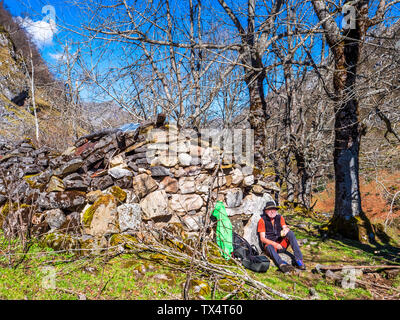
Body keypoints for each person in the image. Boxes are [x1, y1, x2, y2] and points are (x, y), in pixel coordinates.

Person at [257, 200, 306, 273]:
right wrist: (275, 244)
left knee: (291, 233)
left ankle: (299, 260)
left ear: (276, 210)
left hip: (281, 244)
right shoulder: (262, 221)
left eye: (273, 209)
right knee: (269, 246)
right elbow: (262, 239)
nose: (272, 211)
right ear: (266, 211)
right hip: (272, 247)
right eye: (269, 210)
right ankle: (282, 264)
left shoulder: (280, 218)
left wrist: (286, 229)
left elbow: (284, 227)